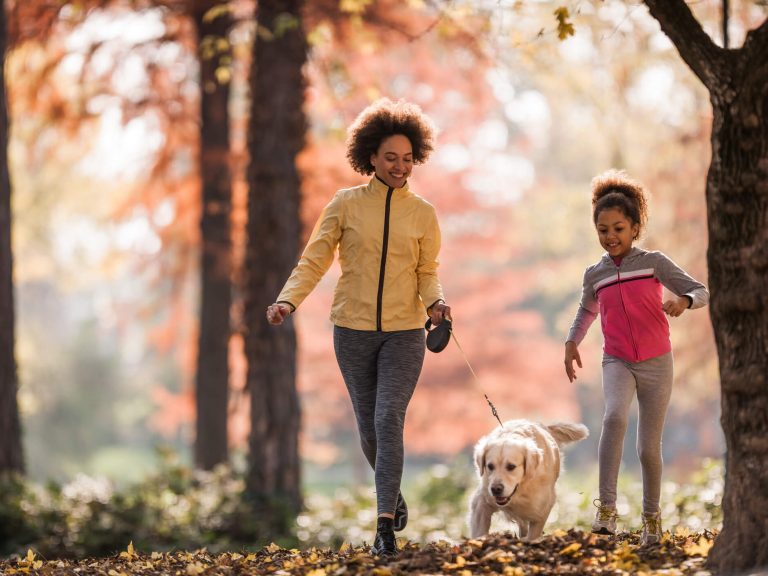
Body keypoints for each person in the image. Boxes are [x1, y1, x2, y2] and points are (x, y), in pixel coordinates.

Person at [265, 98, 451, 559]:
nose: (400, 167)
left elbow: (427, 271)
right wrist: (288, 300)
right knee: (370, 430)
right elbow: (315, 259)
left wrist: (436, 304)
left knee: (389, 418)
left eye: (408, 159)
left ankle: (384, 524)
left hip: (405, 333)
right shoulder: (345, 205)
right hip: (351, 330)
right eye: (391, 158)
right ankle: (394, 493)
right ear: (370, 156)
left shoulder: (423, 213)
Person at [563, 169, 709, 546]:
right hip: (617, 360)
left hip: (658, 361)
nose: (611, 237)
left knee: (647, 448)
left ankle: (651, 519)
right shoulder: (595, 273)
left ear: (635, 227)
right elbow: (587, 311)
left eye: (618, 228)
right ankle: (607, 511)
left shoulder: (654, 263)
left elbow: (700, 290)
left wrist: (683, 301)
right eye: (603, 230)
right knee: (613, 418)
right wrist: (571, 342)